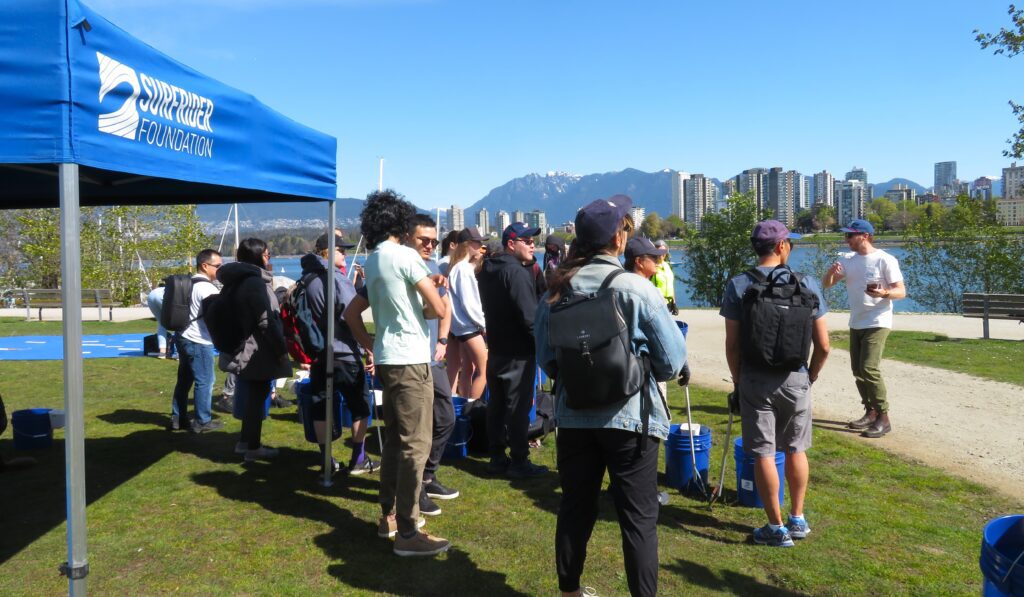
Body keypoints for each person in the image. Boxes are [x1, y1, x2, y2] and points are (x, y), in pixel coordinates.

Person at [535, 195, 686, 597]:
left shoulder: (554, 291)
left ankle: (569, 590)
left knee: (575, 508)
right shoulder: (635, 288)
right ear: (619, 239)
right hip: (630, 419)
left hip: (573, 417)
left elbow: (548, 361)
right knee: (638, 519)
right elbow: (671, 361)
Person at [342, 189, 450, 557]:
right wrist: (430, 295)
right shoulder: (405, 255)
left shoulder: (373, 260)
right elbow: (436, 310)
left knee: (394, 444)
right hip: (410, 360)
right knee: (415, 445)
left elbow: (351, 315)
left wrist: (370, 345)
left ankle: (388, 517)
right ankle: (408, 530)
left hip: (388, 358)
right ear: (401, 223)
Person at [721, 219, 831, 548]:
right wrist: (809, 377)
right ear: (782, 247)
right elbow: (824, 345)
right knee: (796, 448)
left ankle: (776, 527)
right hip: (796, 377)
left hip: (756, 378)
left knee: (764, 452)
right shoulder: (808, 283)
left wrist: (740, 381)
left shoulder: (739, 285)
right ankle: (797, 518)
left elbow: (732, 344)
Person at [301, 230, 379, 477]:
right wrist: (370, 347)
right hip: (344, 352)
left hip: (319, 353)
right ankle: (358, 458)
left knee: (322, 406)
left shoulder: (309, 278)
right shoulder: (336, 278)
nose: (344, 254)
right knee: (360, 406)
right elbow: (350, 315)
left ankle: (326, 459)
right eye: (340, 250)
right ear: (328, 252)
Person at [822, 219, 906, 438]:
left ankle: (884, 417)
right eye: (846, 235)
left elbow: (901, 291)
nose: (846, 239)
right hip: (856, 321)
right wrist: (831, 273)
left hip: (877, 320)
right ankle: (870, 412)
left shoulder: (885, 260)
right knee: (858, 371)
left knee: (869, 368)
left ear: (865, 236)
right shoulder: (847, 260)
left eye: (850, 235)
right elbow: (827, 284)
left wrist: (885, 293)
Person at [477, 222, 548, 479]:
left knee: (496, 405)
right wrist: (543, 346)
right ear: (510, 244)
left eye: (533, 240)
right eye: (527, 241)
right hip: (518, 351)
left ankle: (497, 457)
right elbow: (530, 317)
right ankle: (519, 461)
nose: (532, 245)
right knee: (518, 408)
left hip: (496, 348)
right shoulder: (515, 272)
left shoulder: (487, 269)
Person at [217, 238, 292, 462]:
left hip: (243, 346)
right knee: (257, 399)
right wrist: (280, 349)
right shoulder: (254, 283)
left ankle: (244, 442)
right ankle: (253, 447)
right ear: (258, 256)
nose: (269, 258)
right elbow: (266, 321)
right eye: (267, 255)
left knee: (251, 395)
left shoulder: (234, 281)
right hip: (257, 349)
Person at [404, 214, 460, 516]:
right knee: (418, 428)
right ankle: (416, 490)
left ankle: (427, 475)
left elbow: (444, 306)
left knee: (446, 416)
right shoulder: (402, 268)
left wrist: (442, 340)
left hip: (431, 357)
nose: (429, 245)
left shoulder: (433, 268)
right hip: (409, 359)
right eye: (423, 239)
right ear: (408, 237)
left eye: (433, 241)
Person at [170, 249, 224, 433]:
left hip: (182, 336)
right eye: (218, 266)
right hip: (199, 340)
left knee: (184, 380)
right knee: (205, 380)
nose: (220, 269)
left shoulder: (189, 283)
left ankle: (178, 417)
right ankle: (202, 421)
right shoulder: (207, 288)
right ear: (205, 265)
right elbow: (216, 317)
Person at [446, 226, 488, 399]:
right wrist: (484, 325)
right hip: (467, 327)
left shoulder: (456, 267)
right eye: (478, 242)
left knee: (468, 369)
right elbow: (470, 304)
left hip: (457, 328)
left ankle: (461, 404)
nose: (481, 246)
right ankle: (471, 409)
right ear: (469, 244)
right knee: (483, 370)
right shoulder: (463, 270)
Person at [651, 240, 678, 315]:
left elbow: (671, 286)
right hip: (656, 305)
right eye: (659, 251)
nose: (661, 254)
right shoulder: (651, 267)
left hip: (668, 304)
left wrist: (674, 303)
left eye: (664, 251)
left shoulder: (667, 266)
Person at [145, 284, 173, 358]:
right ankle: (179, 353)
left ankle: (162, 353)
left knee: (161, 323)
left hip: (152, 295)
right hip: (162, 296)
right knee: (180, 323)